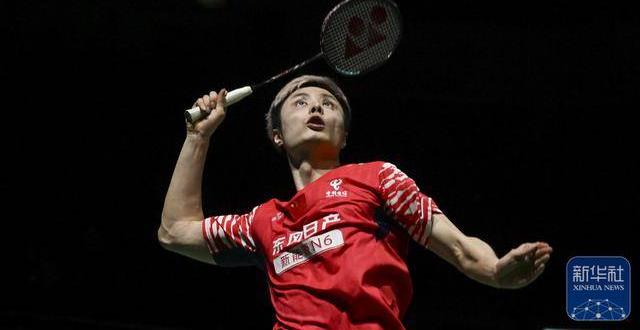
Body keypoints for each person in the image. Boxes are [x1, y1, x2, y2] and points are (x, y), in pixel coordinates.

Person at [158, 74, 553, 329]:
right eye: (300, 102)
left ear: (343, 136)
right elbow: (174, 232)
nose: (316, 106)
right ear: (277, 135)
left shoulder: (377, 178)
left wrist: (495, 271)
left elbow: (460, 247)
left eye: (328, 104)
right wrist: (198, 138)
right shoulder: (263, 221)